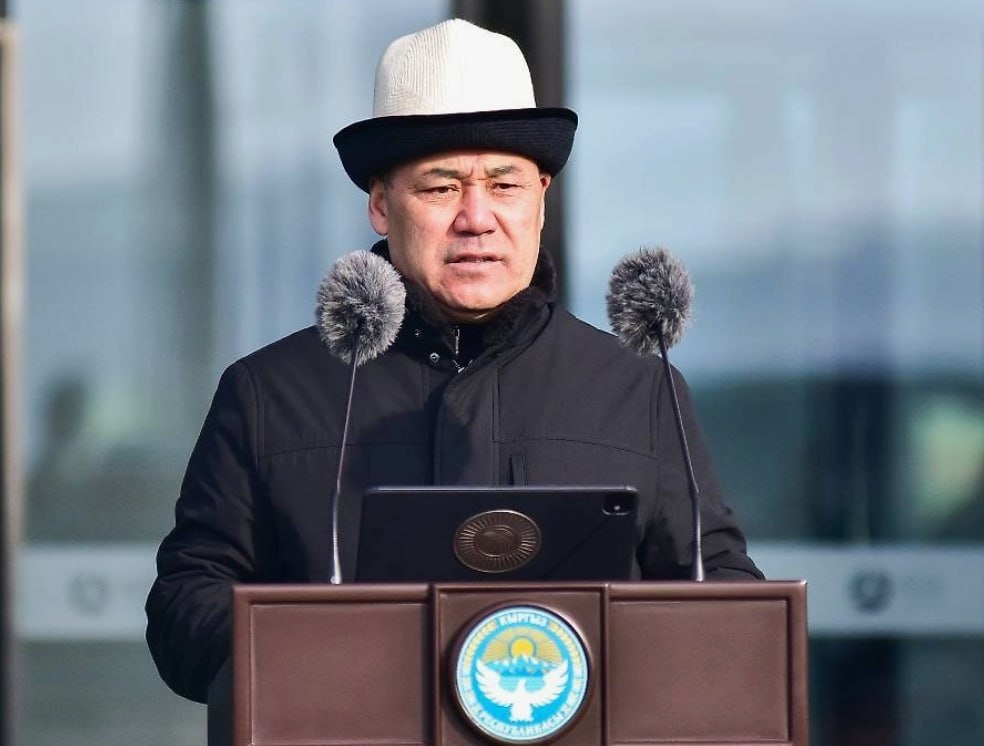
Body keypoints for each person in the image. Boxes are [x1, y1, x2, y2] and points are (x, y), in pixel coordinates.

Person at [145, 18, 762, 705]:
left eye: (504, 185)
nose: (476, 217)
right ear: (381, 205)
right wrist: (309, 656)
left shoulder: (640, 388)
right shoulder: (268, 393)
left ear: (541, 200)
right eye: (441, 188)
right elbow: (185, 605)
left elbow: (724, 591)